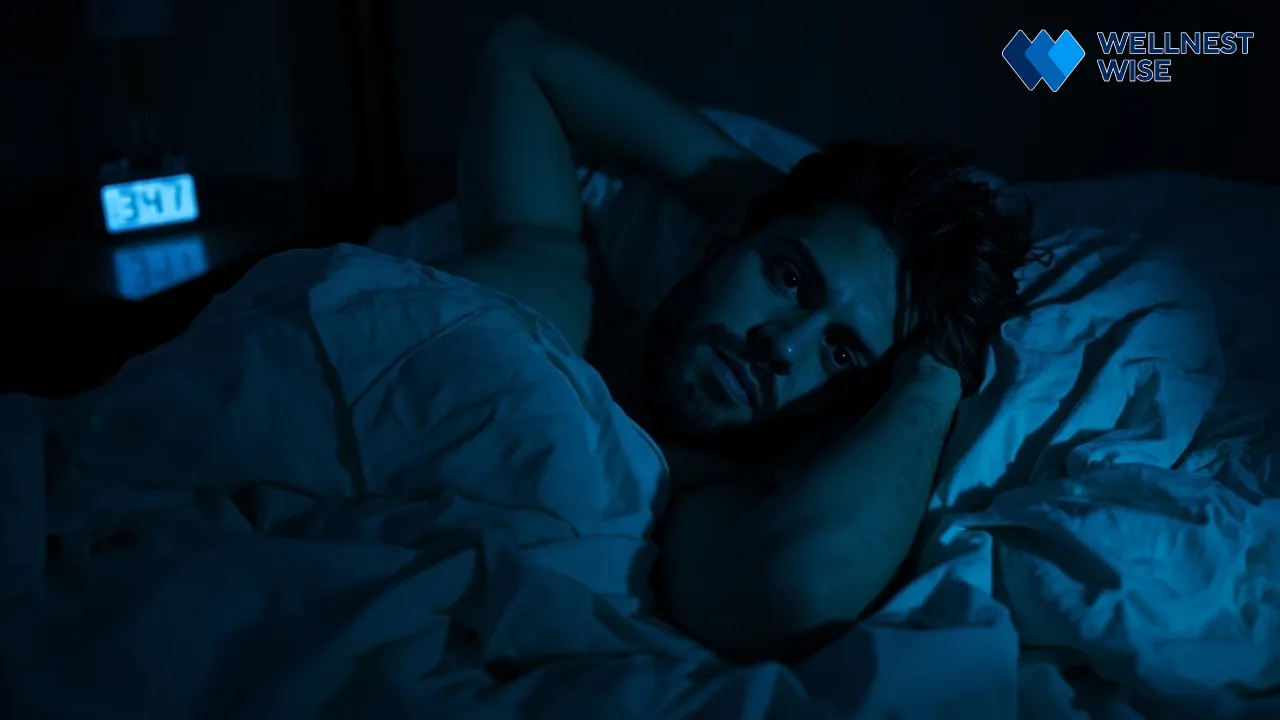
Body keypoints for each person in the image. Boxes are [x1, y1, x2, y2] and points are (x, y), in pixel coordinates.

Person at [436, 16, 1040, 661]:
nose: (781, 346)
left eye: (840, 353)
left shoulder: (692, 512)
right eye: (788, 278)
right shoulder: (547, 279)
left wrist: (932, 374)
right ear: (728, 236)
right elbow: (522, 56)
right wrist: (765, 196)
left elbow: (802, 584)